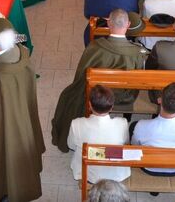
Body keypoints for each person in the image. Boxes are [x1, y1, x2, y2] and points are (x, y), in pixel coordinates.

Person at [52, 9, 147, 152]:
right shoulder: (137, 53)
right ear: (128, 25)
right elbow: (138, 79)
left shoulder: (95, 46)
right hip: (125, 96)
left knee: (67, 95)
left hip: (97, 95)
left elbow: (81, 74)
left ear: (108, 23)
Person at [0, 18, 44, 202]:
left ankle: (4, 188)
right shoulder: (23, 51)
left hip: (6, 119)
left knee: (3, 147)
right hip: (22, 110)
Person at [131, 82, 175, 175]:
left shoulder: (140, 125)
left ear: (159, 100)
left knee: (133, 127)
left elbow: (134, 145)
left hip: (149, 167)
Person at [68, 85, 130, 183]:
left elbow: (71, 145)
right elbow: (126, 143)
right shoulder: (122, 123)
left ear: (90, 105)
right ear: (112, 107)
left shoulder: (76, 123)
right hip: (116, 174)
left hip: (87, 173)